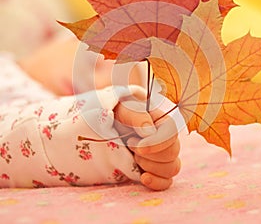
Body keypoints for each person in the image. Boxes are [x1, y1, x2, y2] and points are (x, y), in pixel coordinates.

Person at [0, 36, 181, 191]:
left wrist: (119, 140)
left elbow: (24, 138)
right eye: (93, 62)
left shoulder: (34, 109)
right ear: (62, 40)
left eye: (103, 91)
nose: (96, 81)